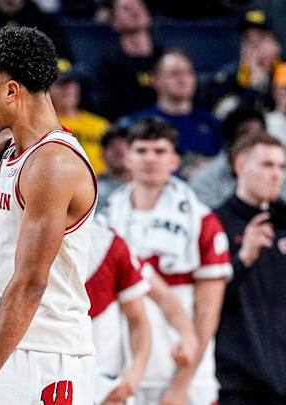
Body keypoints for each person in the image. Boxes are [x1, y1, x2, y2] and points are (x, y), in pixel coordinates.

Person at [0, 26, 96, 405]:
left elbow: (31, 280)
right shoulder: (16, 149)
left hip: (44, 353)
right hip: (5, 344)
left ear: (11, 91)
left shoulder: (53, 164)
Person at [100, 116, 233, 405]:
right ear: (127, 157)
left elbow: (208, 313)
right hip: (121, 368)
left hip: (180, 371)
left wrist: (181, 386)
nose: (150, 158)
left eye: (159, 151)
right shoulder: (105, 218)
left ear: (174, 160)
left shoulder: (202, 221)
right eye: (141, 150)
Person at [87, 217, 199, 405]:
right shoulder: (25, 240)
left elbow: (163, 297)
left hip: (104, 384)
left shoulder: (109, 243)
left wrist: (134, 376)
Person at [213, 133, 286, 405]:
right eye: (267, 165)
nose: (276, 175)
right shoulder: (214, 224)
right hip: (238, 385)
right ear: (240, 165)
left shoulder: (283, 221)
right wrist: (243, 260)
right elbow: (206, 303)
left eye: (281, 167)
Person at [119, 50, 223, 178]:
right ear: (155, 80)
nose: (182, 79)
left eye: (188, 73)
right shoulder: (135, 124)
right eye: (174, 74)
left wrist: (207, 169)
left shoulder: (213, 124)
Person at [93, 0, 161, 120]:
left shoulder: (166, 59)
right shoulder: (108, 67)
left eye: (139, 6)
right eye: (126, 8)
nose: (135, 11)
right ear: (114, 22)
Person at [50, 58, 110, 174]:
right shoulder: (39, 124)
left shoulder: (101, 125)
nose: (66, 89)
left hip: (101, 185)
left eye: (71, 82)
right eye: (59, 83)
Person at [97, 125, 131, 211]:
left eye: (125, 145)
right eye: (112, 146)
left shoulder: (154, 186)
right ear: (102, 154)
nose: (120, 151)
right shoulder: (92, 190)